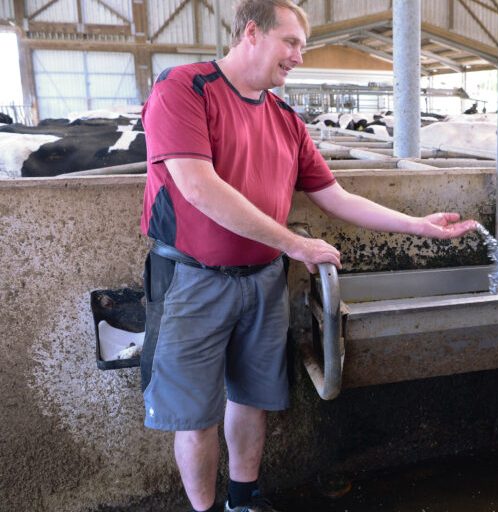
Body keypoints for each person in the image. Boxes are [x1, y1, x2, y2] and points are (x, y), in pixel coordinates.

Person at [137, 0, 478, 510]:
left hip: (263, 278)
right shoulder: (183, 88)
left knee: (252, 397)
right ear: (251, 32)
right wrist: (295, 244)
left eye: (303, 45)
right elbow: (198, 186)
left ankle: (244, 500)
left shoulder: (286, 119)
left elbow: (334, 196)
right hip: (192, 278)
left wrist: (417, 226)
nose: (299, 55)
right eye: (291, 42)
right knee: (194, 414)